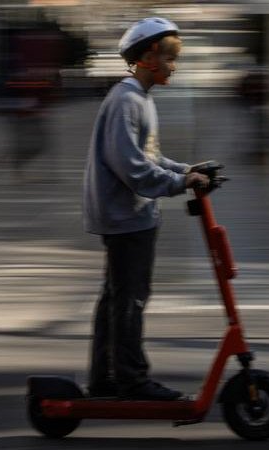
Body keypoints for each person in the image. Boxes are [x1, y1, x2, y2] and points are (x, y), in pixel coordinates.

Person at [82, 18, 209, 401]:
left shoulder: (138, 98)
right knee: (130, 299)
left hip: (130, 214)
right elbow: (133, 167)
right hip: (126, 216)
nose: (175, 66)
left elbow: (149, 157)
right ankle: (132, 380)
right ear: (150, 56)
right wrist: (178, 184)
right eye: (171, 59)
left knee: (117, 298)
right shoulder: (126, 100)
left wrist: (186, 171)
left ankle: (105, 377)